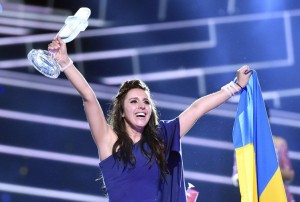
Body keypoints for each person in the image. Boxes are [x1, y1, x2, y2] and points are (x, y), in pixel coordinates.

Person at [48, 36, 252, 202]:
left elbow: (197, 109)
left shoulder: (161, 137)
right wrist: (65, 62)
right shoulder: (108, 141)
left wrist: (235, 87)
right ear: (121, 111)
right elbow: (88, 97)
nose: (141, 106)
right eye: (134, 101)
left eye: (146, 102)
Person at [231, 108, 295, 202]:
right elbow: (236, 177)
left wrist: (268, 170)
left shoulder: (279, 143)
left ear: (267, 120)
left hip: (279, 196)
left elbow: (289, 174)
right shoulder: (243, 145)